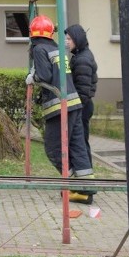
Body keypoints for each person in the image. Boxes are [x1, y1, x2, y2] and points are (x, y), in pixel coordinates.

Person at [27, 14, 96, 204]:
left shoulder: (39, 49)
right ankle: (86, 190)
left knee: (53, 148)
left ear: (32, 33)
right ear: (50, 33)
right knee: (77, 146)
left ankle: (73, 184)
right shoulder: (55, 48)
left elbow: (45, 76)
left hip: (59, 106)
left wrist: (33, 76)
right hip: (74, 104)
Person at [64, 24, 98, 167]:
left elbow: (83, 92)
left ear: (77, 40)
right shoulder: (80, 55)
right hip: (82, 105)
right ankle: (84, 179)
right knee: (80, 142)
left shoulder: (82, 59)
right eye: (66, 38)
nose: (66, 42)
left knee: (80, 144)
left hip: (82, 107)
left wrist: (74, 109)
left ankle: (86, 181)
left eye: (69, 39)